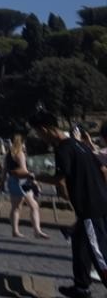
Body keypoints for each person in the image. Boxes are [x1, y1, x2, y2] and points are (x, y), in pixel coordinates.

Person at [31, 110, 107, 297]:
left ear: (45, 129)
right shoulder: (78, 144)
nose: (40, 138)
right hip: (99, 200)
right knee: (79, 243)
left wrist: (36, 177)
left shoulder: (63, 148)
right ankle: (81, 286)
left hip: (90, 206)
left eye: (39, 133)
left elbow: (60, 178)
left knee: (98, 252)